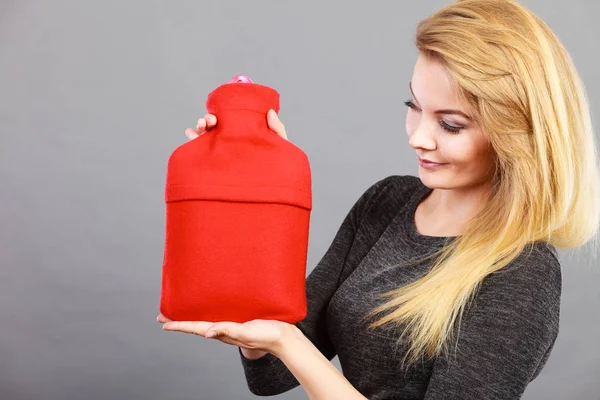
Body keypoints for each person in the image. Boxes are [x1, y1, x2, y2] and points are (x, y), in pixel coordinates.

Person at [157, 0, 600, 398]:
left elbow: (290, 345)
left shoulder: (522, 273)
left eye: (450, 124)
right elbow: (272, 372)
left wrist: (288, 343)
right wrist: (258, 195)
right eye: (413, 105)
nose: (418, 137)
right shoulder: (387, 202)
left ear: (517, 135)